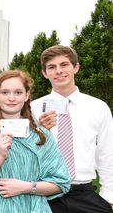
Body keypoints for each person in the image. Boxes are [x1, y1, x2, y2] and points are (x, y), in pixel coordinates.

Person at [0, 70, 70, 213]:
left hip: (33, 208)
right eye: (5, 92)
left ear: (26, 96)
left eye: (18, 92)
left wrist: (26, 187)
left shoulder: (42, 136)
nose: (11, 98)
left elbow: (61, 182)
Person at [30, 45, 113, 212]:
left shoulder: (98, 107)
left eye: (64, 64)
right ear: (44, 73)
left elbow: (107, 154)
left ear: (76, 67)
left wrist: (108, 197)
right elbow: (23, 154)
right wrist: (39, 132)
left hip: (86, 195)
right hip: (45, 196)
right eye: (52, 67)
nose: (59, 71)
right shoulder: (33, 108)